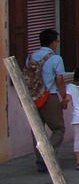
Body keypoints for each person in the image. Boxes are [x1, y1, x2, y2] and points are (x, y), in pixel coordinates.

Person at [22, 28, 67, 173]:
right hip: (49, 96)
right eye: (57, 41)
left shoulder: (30, 58)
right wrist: (64, 96)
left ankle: (40, 160)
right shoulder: (55, 59)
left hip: (32, 98)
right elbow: (59, 80)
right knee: (58, 128)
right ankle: (47, 156)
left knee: (37, 130)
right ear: (53, 42)